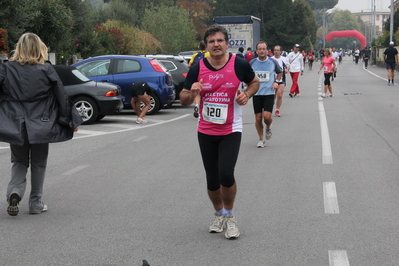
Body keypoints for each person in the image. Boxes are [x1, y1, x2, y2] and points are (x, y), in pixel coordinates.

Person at [179, 25, 259, 239]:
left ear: (227, 43)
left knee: (226, 173)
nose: (216, 44)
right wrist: (193, 92)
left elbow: (254, 82)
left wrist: (247, 94)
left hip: (231, 128)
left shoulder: (239, 64)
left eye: (220, 40)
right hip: (205, 129)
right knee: (212, 178)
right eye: (211, 41)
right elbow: (184, 98)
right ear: (206, 46)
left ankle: (230, 216)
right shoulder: (198, 67)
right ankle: (218, 213)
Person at [0, 33, 82, 216]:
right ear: (40, 48)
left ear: (19, 47)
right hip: (41, 124)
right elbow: (61, 96)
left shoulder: (6, 69)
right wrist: (71, 120)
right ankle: (36, 204)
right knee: (39, 163)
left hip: (15, 123)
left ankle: (14, 192)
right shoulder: (46, 69)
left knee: (19, 161)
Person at [250, 41, 282, 148]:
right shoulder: (252, 62)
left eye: (264, 49)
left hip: (269, 93)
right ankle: (261, 139)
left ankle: (268, 126)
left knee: (267, 117)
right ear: (257, 51)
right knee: (258, 118)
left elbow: (280, 72)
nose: (262, 51)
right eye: (260, 49)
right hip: (256, 93)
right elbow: (248, 75)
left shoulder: (273, 62)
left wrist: (276, 82)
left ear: (267, 51)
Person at [188, 41, 210, 117]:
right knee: (205, 91)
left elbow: (189, 65)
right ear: (206, 46)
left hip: (196, 74)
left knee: (197, 92)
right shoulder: (208, 54)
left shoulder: (195, 55)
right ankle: (205, 108)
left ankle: (197, 105)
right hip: (205, 75)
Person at [272, 45, 290, 117]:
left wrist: (287, 69)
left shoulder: (284, 59)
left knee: (279, 95)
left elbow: (288, 66)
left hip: (281, 79)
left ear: (280, 51)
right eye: (275, 50)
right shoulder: (271, 59)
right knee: (273, 96)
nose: (276, 51)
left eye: (277, 50)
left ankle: (277, 109)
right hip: (272, 79)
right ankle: (269, 108)